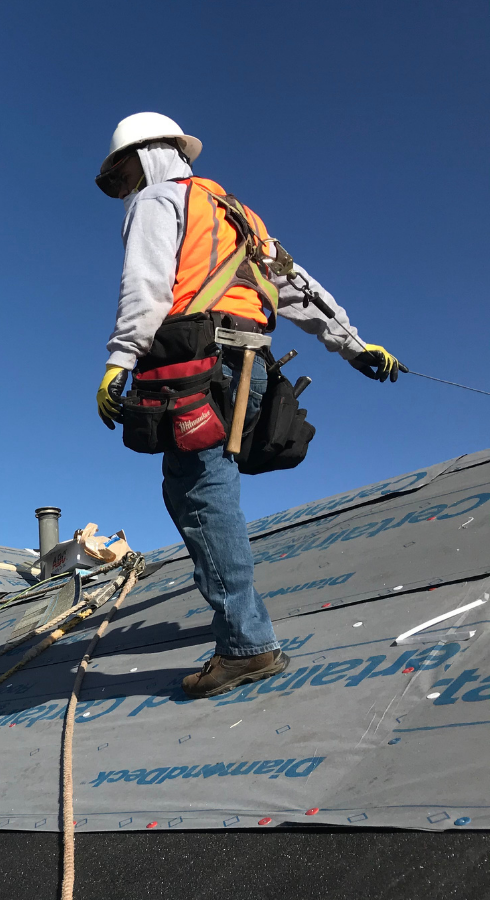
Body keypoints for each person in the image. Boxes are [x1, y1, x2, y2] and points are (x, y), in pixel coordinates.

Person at [93, 113, 404, 699]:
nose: (130, 183)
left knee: (198, 491)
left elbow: (146, 284)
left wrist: (121, 357)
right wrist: (357, 348)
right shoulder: (239, 215)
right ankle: (244, 636)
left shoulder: (159, 202)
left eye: (129, 168)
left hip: (199, 370)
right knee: (210, 486)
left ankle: (246, 646)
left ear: (152, 155)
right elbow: (300, 288)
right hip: (252, 368)